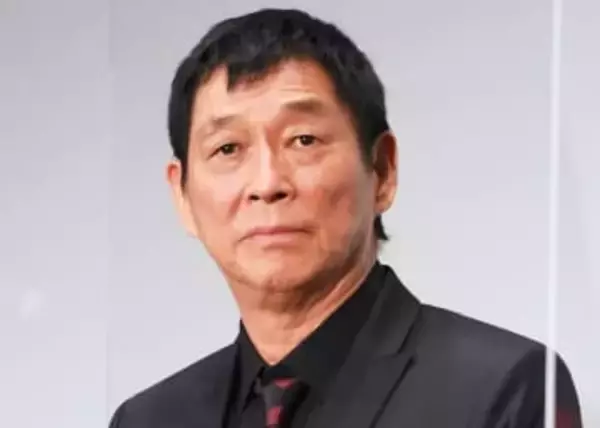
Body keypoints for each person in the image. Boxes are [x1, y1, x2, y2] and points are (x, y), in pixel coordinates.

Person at [109, 8, 582, 428]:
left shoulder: (503, 388)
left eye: (303, 140)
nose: (267, 183)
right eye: (228, 148)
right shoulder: (149, 419)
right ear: (182, 196)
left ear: (382, 171)